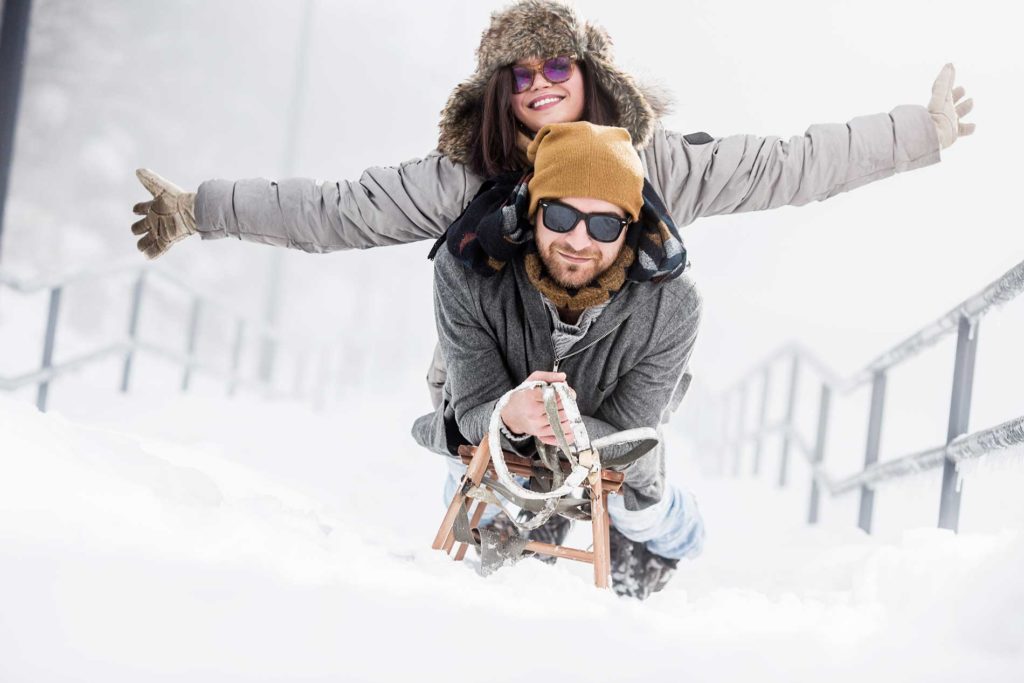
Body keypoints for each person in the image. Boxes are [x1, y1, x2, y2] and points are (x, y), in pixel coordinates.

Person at [130, 0, 974, 406]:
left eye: (555, 67)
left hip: (614, 387)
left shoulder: (655, 167)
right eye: (520, 74)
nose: (539, 84)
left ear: (587, 74)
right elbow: (333, 211)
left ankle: (642, 526)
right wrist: (201, 207)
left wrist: (917, 134)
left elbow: (785, 165)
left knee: (640, 400)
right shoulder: (464, 175)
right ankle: (496, 507)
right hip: (492, 381)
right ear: (500, 93)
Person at [414, 120, 703, 599]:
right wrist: (510, 411)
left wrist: (563, 422)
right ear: (533, 212)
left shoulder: (674, 304)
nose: (579, 241)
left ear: (628, 230)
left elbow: (628, 432)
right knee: (476, 488)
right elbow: (471, 409)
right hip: (496, 425)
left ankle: (678, 534)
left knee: (643, 514)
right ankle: (526, 520)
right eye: (562, 216)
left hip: (612, 439)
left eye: (605, 224)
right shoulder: (465, 269)